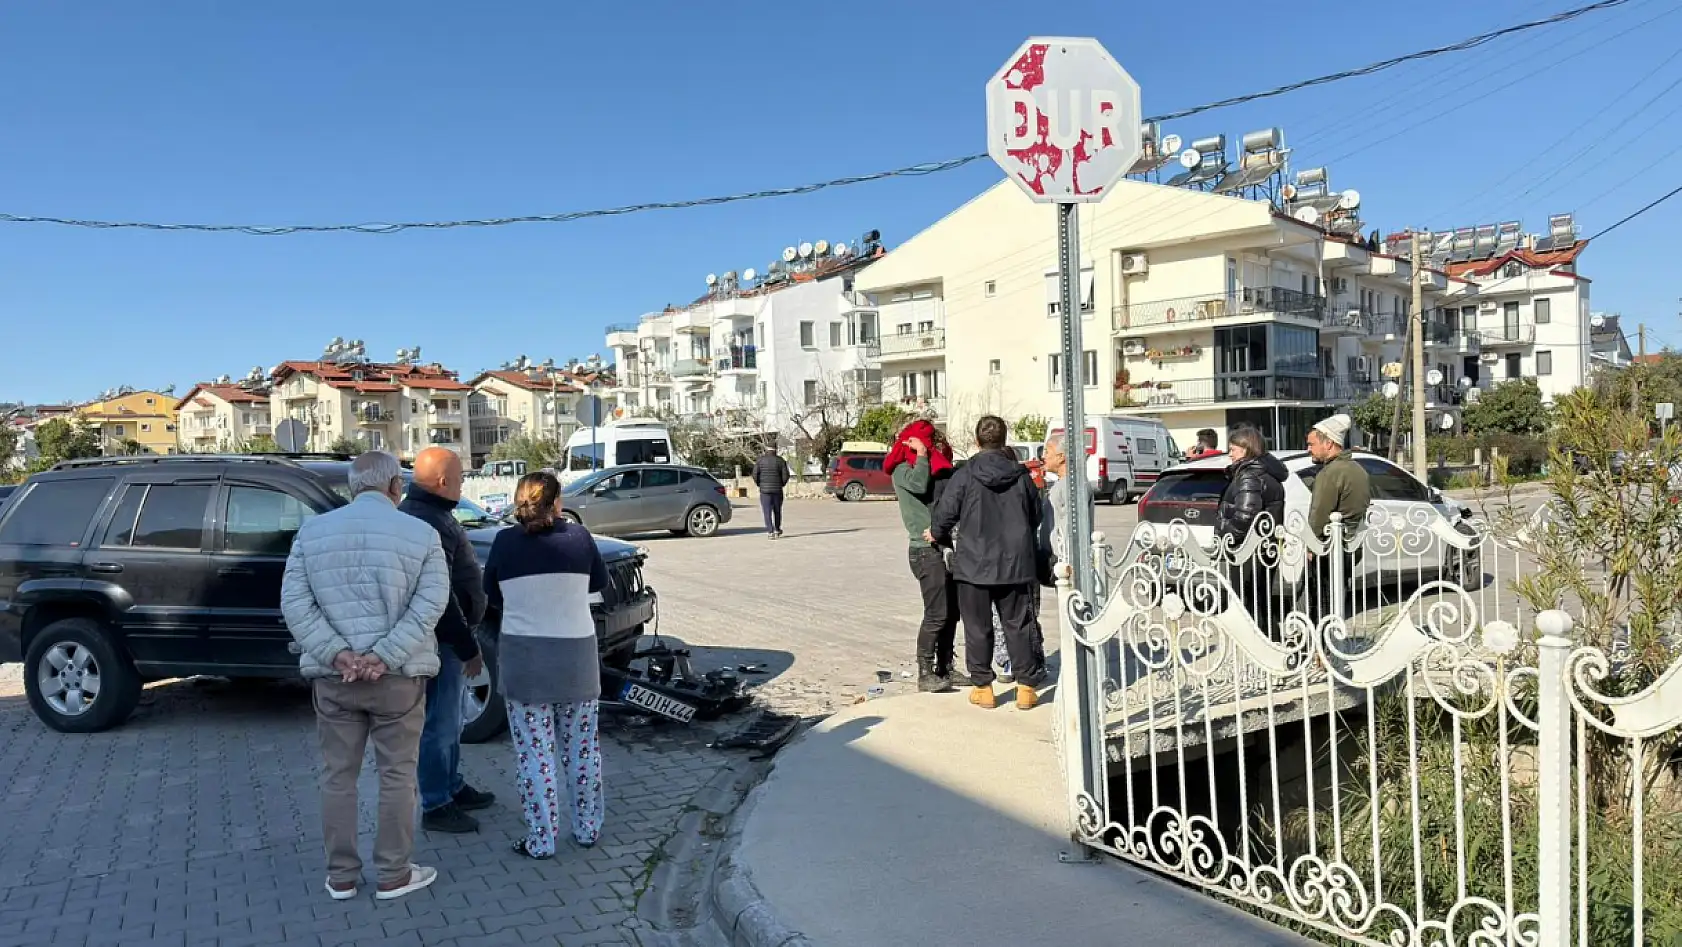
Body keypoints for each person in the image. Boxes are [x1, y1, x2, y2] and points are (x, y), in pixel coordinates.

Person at [281, 450, 450, 902]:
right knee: (398, 775)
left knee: (338, 776)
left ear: (352, 487)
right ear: (396, 486)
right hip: (398, 678)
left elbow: (296, 605)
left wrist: (337, 654)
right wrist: (384, 655)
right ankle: (394, 874)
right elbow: (430, 605)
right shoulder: (422, 534)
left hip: (335, 681)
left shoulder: (310, 533)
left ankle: (341, 877)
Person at [482, 471, 609, 859]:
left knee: (534, 756)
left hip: (526, 666)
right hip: (576, 662)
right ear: (557, 502)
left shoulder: (504, 543)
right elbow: (598, 583)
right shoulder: (580, 538)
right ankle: (587, 829)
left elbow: (491, 593)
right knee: (583, 750)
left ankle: (541, 840)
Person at [399, 446, 496, 835]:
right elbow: (441, 598)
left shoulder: (433, 515)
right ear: (442, 482)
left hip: (443, 640)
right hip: (440, 642)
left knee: (450, 718)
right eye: (459, 478)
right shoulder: (429, 522)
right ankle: (437, 802)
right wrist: (466, 646)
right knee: (439, 723)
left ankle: (451, 786)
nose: (463, 484)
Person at [928, 415, 1046, 711]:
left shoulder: (965, 475)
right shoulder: (1021, 477)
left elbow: (944, 515)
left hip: (974, 565)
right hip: (1015, 563)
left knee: (978, 627)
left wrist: (937, 533)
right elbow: (1036, 515)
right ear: (1004, 441)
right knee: (1018, 624)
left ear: (978, 441)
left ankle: (984, 688)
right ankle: (1026, 688)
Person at [887, 419, 958, 692]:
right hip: (923, 551)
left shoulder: (927, 467)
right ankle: (924, 672)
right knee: (936, 614)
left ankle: (945, 668)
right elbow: (918, 485)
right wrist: (922, 456)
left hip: (941, 547)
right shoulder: (902, 470)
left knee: (951, 612)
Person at [1216, 425, 1288, 635]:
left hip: (1249, 551)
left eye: (1234, 449)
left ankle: (1262, 649)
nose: (1230, 454)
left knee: (1249, 604)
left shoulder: (1249, 475)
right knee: (1261, 602)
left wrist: (1227, 536)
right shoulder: (1264, 473)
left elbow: (1245, 515)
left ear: (1247, 449)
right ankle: (1271, 644)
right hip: (1264, 548)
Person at [1303, 413, 1371, 622]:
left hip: (1330, 548)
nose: (1308, 449)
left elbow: (1319, 513)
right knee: (1338, 601)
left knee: (1322, 606)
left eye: (1312, 444)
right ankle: (1332, 642)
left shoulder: (1330, 473)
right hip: (1350, 546)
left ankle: (1321, 649)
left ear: (1329, 444)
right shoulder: (1358, 469)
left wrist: (1311, 545)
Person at [752, 441, 791, 539]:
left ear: (766, 448)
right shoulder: (780, 461)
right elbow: (786, 475)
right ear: (776, 449)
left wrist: (760, 484)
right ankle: (777, 529)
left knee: (767, 511)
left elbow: (755, 474)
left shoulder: (760, 461)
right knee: (777, 511)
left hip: (764, 491)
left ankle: (770, 531)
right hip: (777, 490)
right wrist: (781, 484)